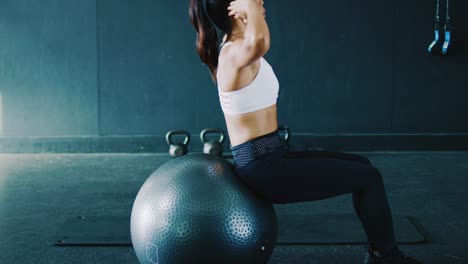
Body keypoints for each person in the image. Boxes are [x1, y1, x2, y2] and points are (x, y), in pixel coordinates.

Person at [189, 0, 424, 263]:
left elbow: (257, 41)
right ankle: (387, 257)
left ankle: (380, 253)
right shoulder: (234, 52)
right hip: (265, 168)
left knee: (365, 168)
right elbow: (261, 41)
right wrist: (251, 9)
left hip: (270, 157)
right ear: (234, 8)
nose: (260, 2)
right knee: (369, 178)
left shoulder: (236, 49)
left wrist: (249, 9)